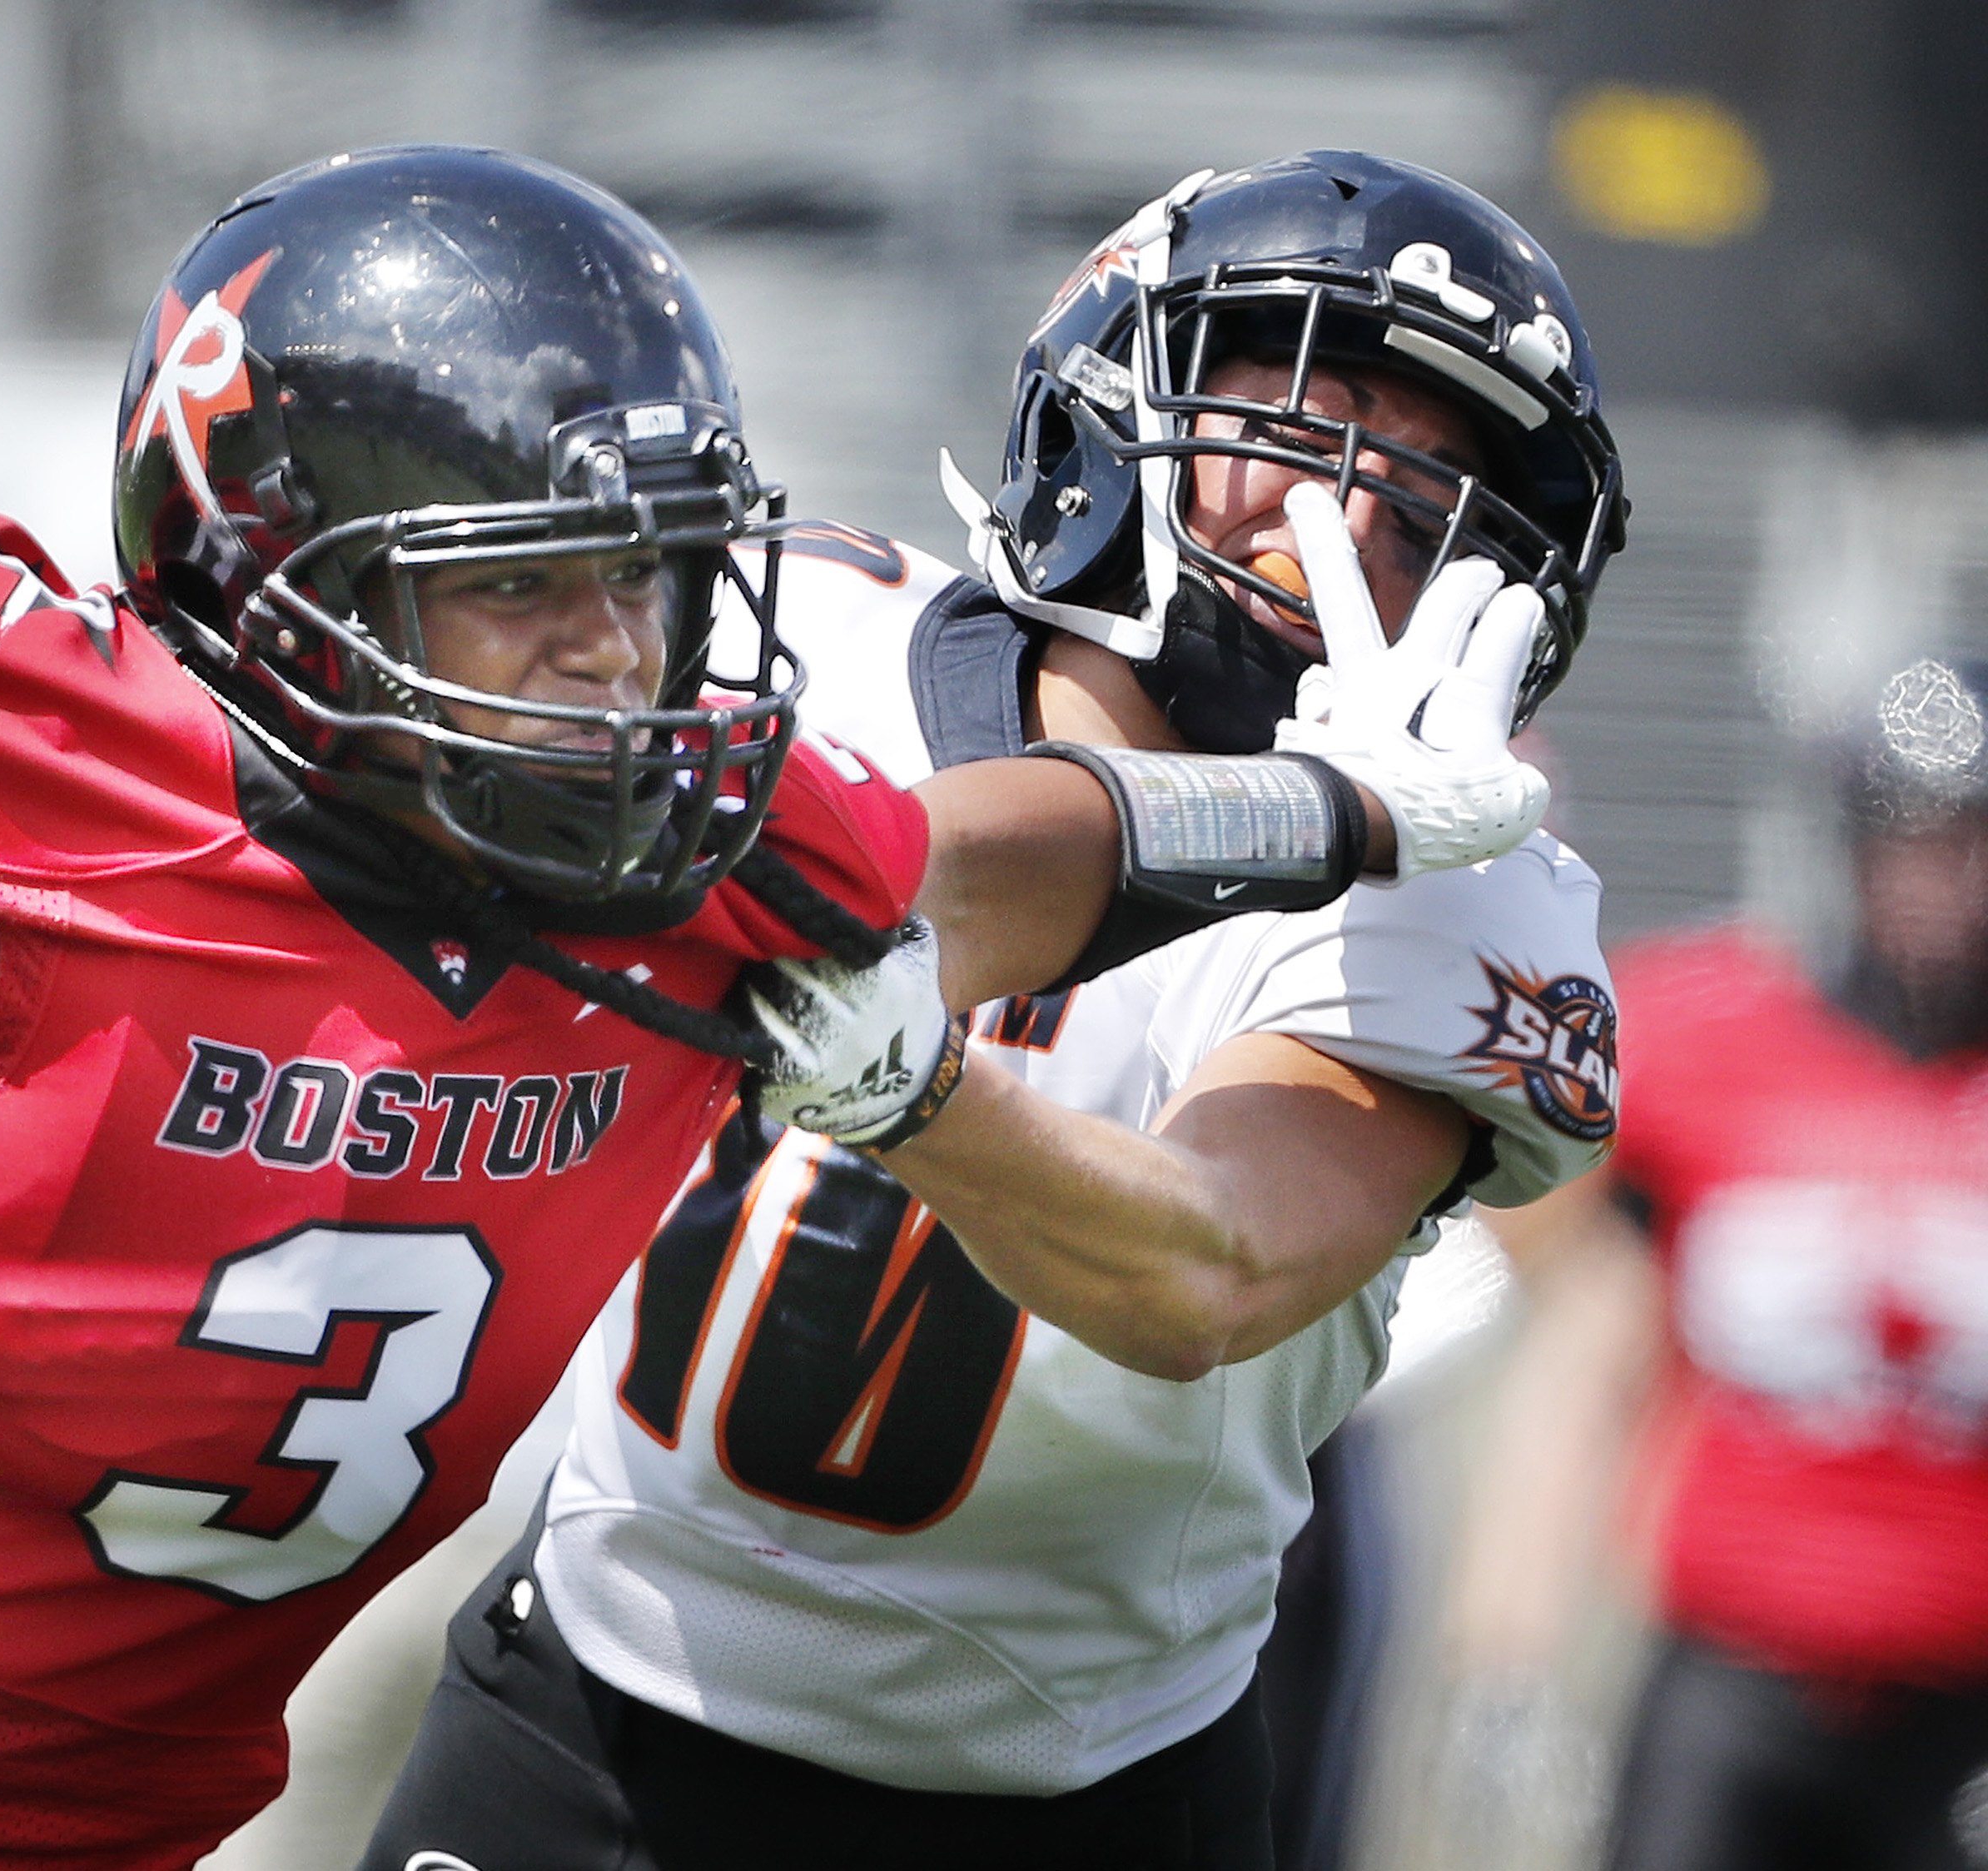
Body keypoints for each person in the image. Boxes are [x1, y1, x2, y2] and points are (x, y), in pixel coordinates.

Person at [0, 147, 1547, 1871]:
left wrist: (1330, 815)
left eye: (651, 589)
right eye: (531, 591)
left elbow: (1037, 847)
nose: (620, 670)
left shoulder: (682, 854)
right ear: (276, 570)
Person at [359, 149, 1626, 1871]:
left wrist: (913, 1096)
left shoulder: (1478, 888)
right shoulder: (798, 628)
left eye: (1431, 494)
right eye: (1299, 423)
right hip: (598, 1700)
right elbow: (853, 880)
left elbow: (1205, 1271)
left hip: (1080, 1796)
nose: (1347, 518)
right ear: (1116, 393)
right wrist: (1303, 814)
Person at [1448, 653, 1988, 1871]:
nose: (1947, 884)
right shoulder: (1706, 1030)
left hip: (1965, 1708)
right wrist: (1507, 1645)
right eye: (1917, 839)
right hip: (1731, 1674)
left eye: (1978, 842)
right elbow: (1583, 1346)